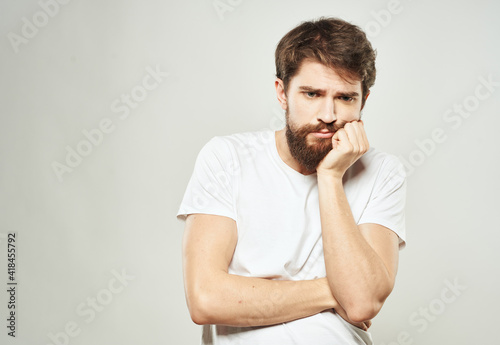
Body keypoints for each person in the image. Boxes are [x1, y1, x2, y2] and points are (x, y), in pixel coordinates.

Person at [176, 16, 407, 345]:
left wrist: (330, 176)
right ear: (282, 92)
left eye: (345, 98)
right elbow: (206, 300)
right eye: (312, 94)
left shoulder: (383, 172)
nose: (328, 115)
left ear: (364, 101)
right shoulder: (226, 157)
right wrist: (333, 290)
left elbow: (361, 303)